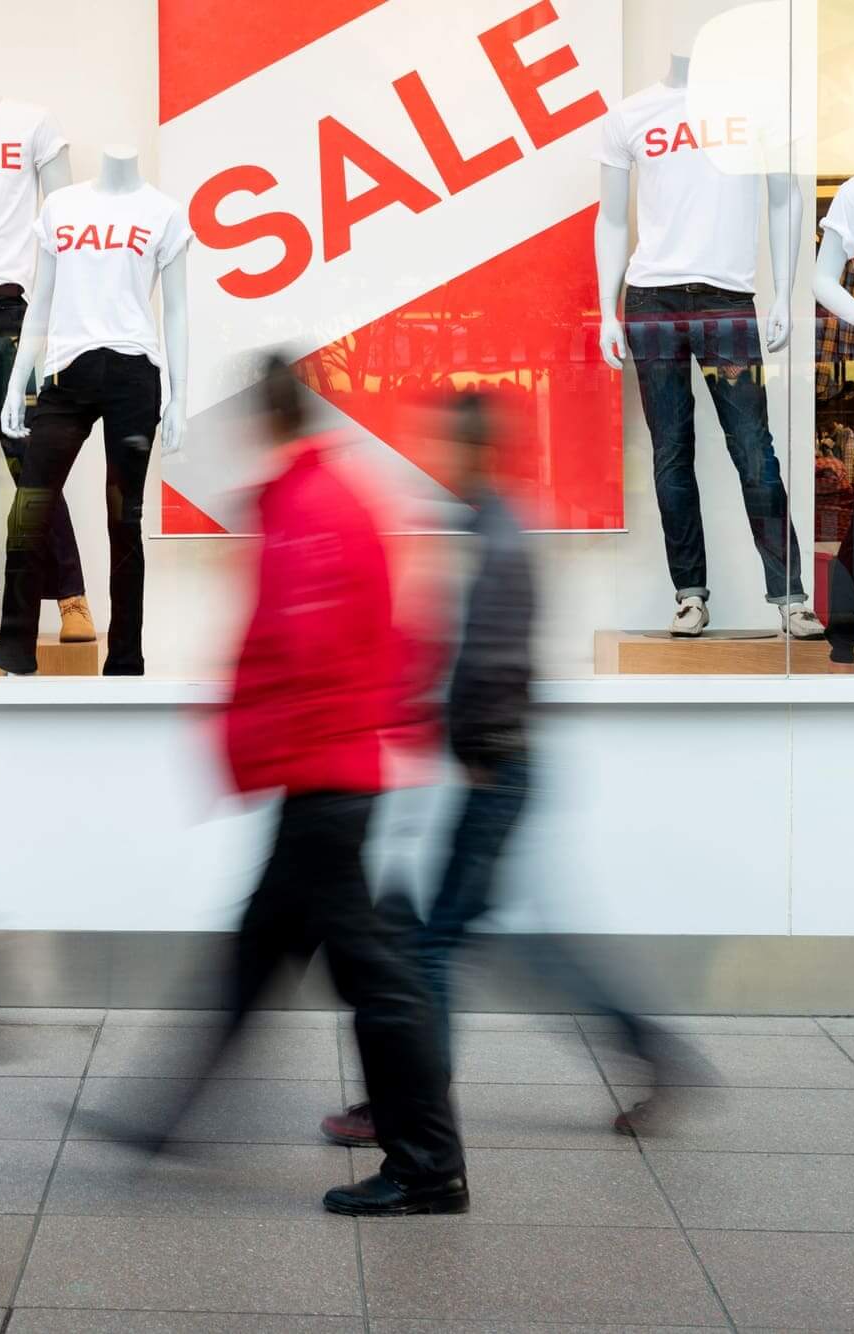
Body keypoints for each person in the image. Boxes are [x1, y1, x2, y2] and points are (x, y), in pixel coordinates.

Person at [86, 358, 469, 1216]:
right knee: (257, 959)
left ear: (265, 417)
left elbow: (306, 647)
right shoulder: (328, 497)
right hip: (325, 772)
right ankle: (162, 1117)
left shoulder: (309, 509)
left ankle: (428, 1165)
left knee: (375, 976)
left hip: (325, 776)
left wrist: (258, 744)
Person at [320, 392, 700, 1147]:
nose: (439, 461)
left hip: (496, 771)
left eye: (450, 449)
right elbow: (458, 653)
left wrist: (470, 751)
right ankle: (651, 1053)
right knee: (504, 945)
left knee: (433, 943)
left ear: (479, 452)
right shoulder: (482, 527)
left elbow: (491, 660)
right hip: (496, 766)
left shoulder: (496, 535)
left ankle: (410, 1101)